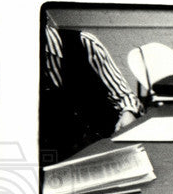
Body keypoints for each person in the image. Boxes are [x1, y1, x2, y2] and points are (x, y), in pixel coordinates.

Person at [40, 22, 144, 161]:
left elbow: (124, 95)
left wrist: (128, 112)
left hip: (103, 141)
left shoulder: (85, 43)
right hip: (57, 152)